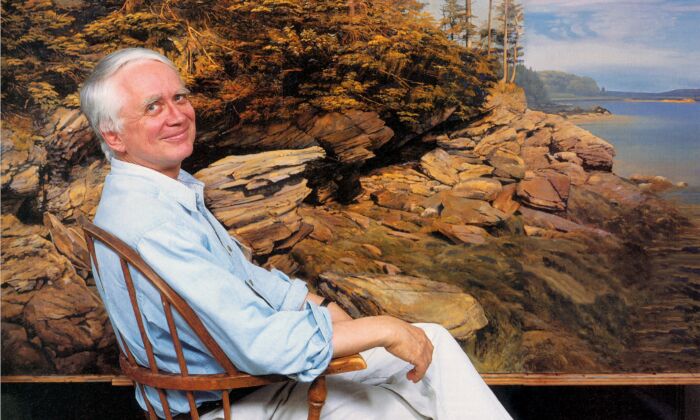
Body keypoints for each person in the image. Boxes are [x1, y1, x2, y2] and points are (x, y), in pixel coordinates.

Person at [81, 48, 512, 420]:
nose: (177, 115)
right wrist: (384, 328)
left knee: (433, 343)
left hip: (244, 384)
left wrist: (320, 305)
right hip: (227, 401)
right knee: (401, 404)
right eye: (153, 107)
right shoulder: (155, 224)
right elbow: (260, 343)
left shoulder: (155, 194)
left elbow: (242, 278)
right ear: (113, 135)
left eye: (180, 97)